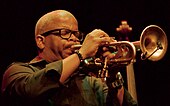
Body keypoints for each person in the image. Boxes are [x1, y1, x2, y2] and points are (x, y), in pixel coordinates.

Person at [1, 10, 137, 106]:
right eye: (65, 32)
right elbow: (32, 91)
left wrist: (113, 77)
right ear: (41, 41)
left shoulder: (89, 82)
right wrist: (82, 53)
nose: (74, 38)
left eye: (76, 34)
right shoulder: (16, 72)